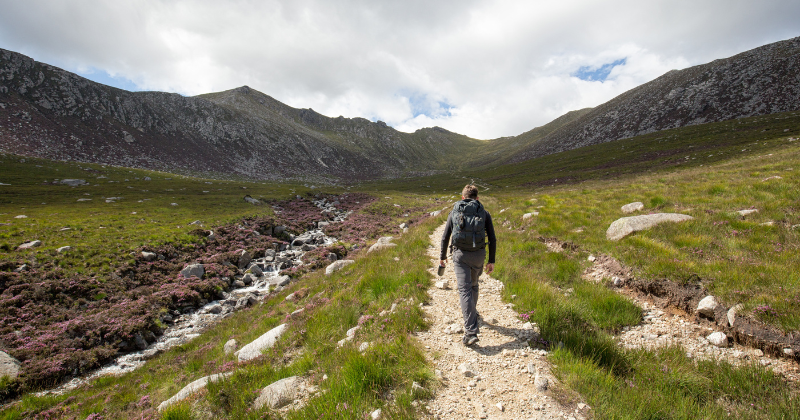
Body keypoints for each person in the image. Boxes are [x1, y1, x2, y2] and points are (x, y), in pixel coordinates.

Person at [440, 184, 496, 347]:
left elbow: (445, 237)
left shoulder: (455, 212)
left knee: (464, 290)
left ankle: (471, 332)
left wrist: (442, 257)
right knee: (473, 285)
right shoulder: (484, 213)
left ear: (462, 198)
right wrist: (491, 260)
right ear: (477, 198)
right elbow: (492, 239)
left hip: (460, 255)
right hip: (479, 255)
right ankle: (473, 313)